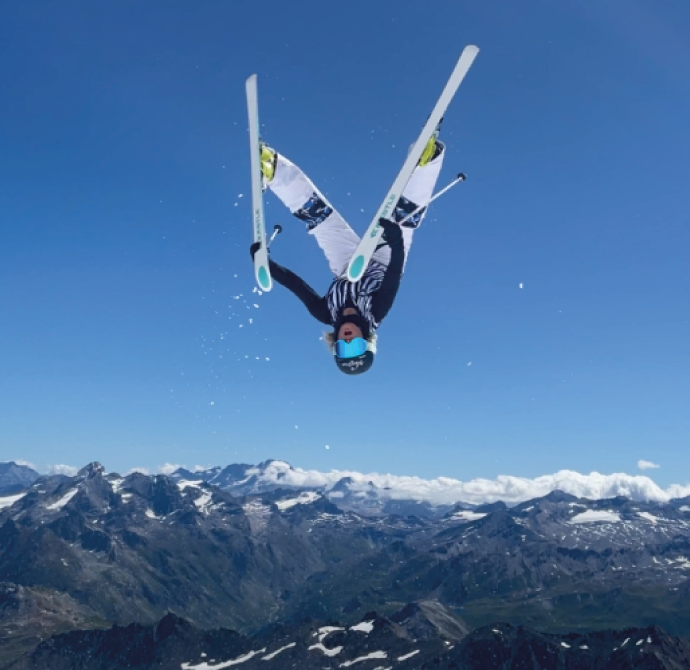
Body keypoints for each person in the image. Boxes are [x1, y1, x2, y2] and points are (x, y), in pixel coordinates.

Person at [250, 128, 445, 375]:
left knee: (320, 219)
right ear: (368, 341)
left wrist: (267, 264)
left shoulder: (325, 313)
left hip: (347, 266)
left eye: (344, 348)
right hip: (385, 261)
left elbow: (297, 286)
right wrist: (396, 240)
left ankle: (273, 168)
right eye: (357, 346)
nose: (349, 340)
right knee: (405, 217)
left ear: (335, 345)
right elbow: (394, 273)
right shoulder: (376, 311)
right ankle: (426, 160)